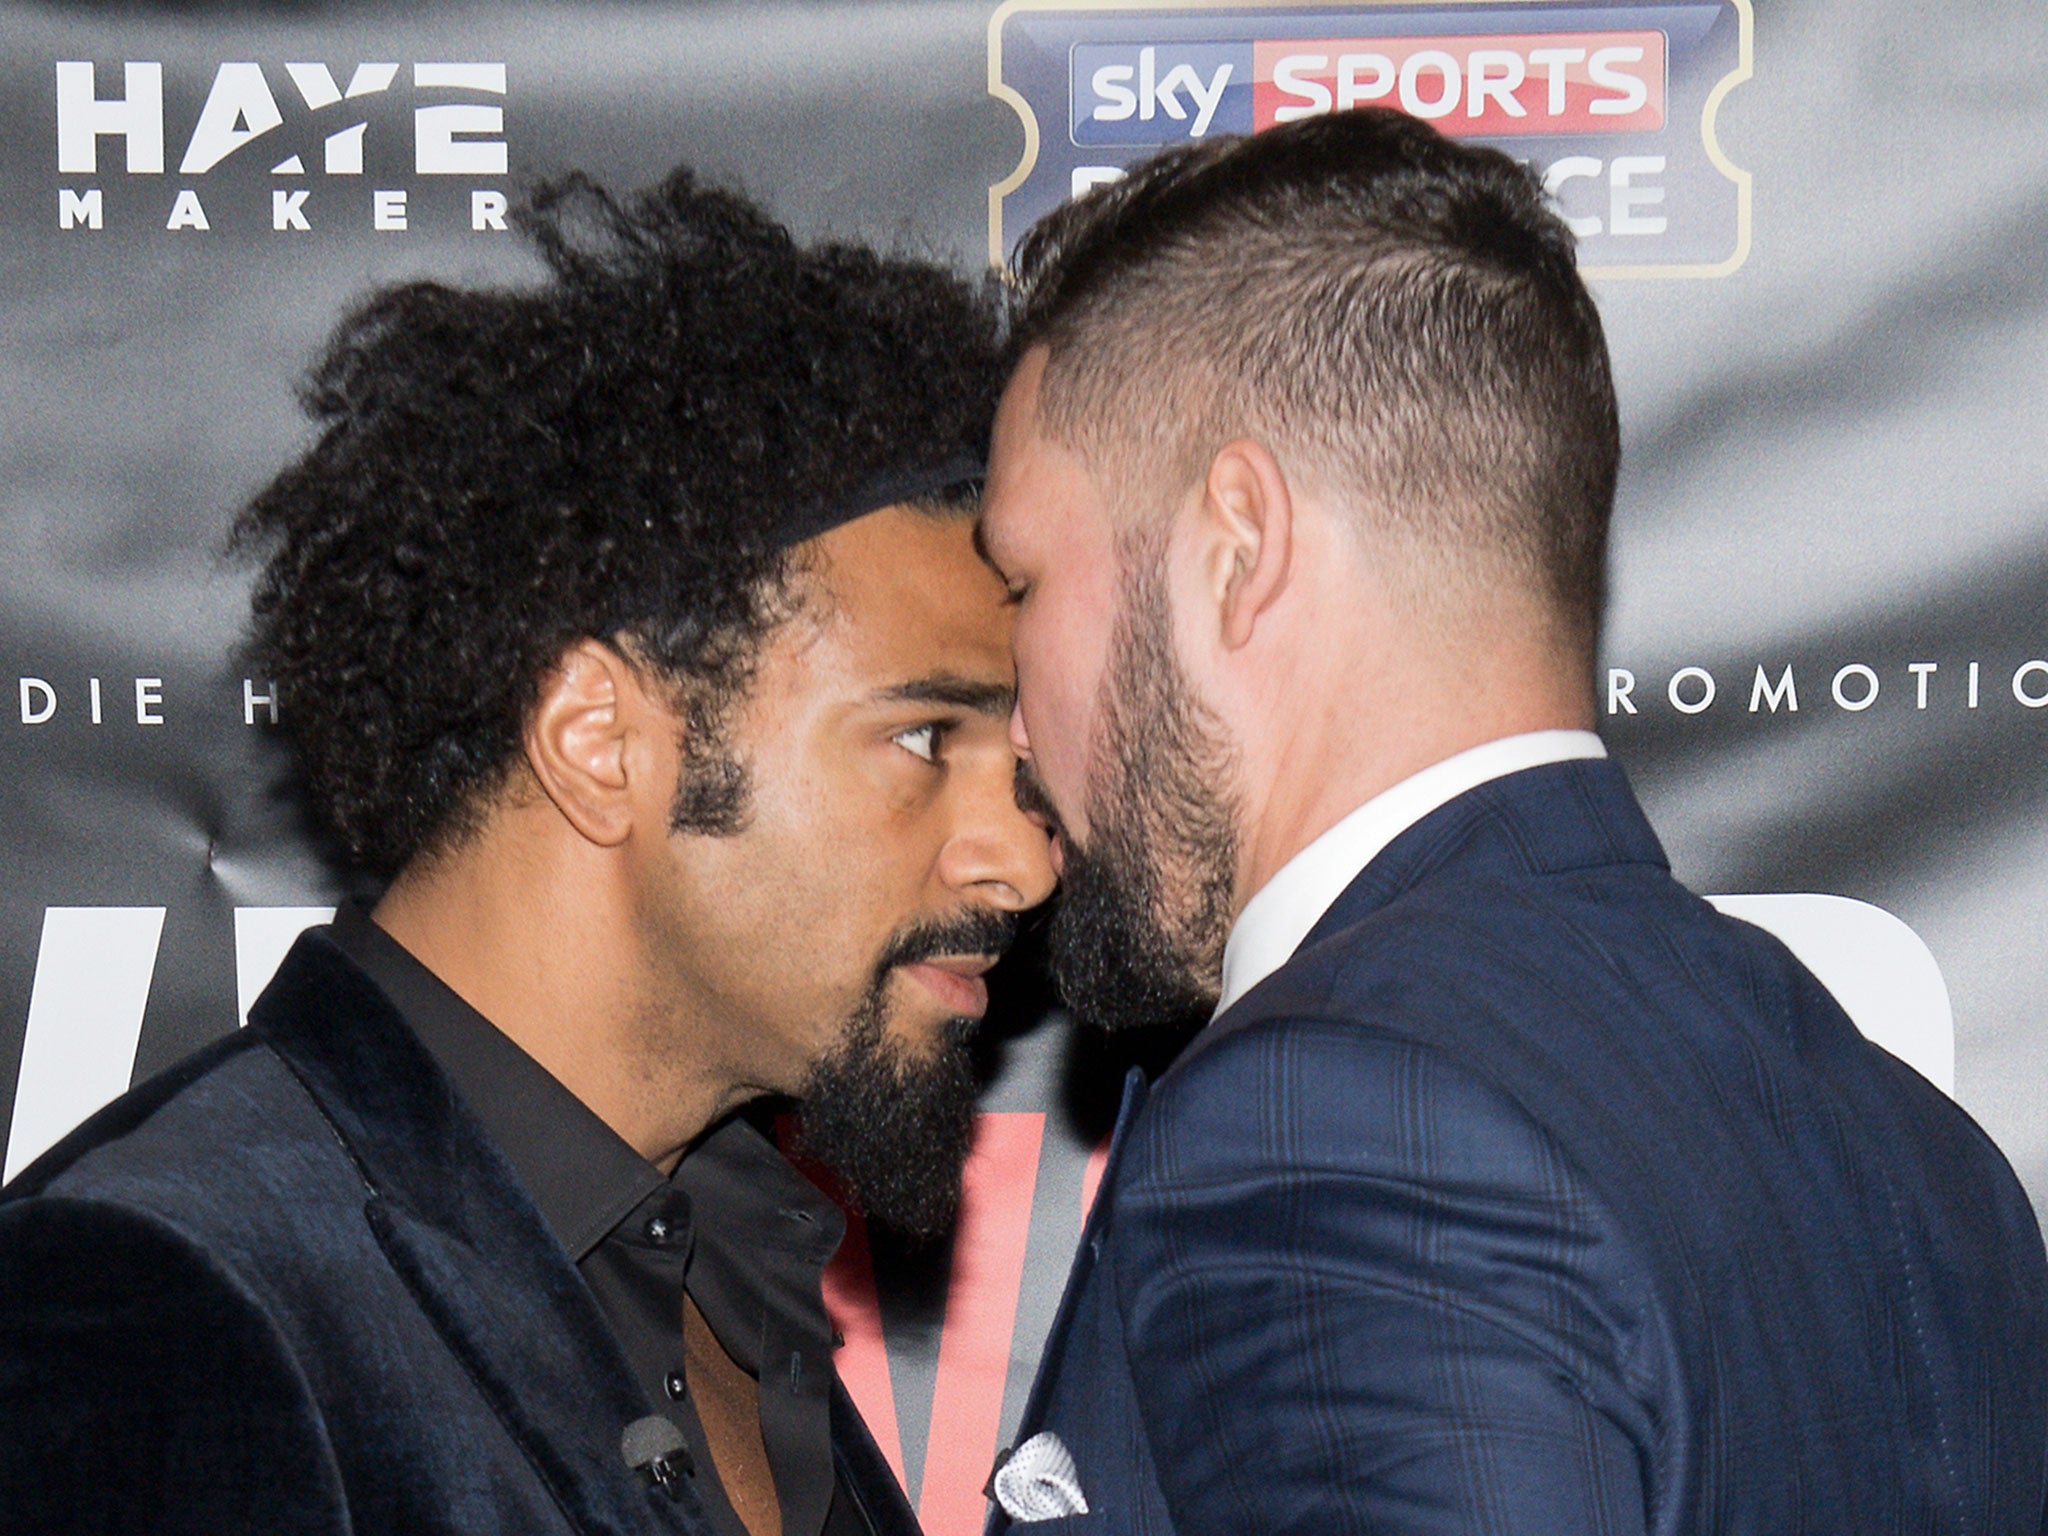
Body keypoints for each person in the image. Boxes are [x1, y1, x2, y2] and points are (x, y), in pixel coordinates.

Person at [977, 108, 2048, 1532]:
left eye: (1023, 587)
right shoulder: (1922, 1158)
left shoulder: (1335, 1127)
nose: (1011, 719)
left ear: (1237, 550)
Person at [0, 169, 1053, 1536]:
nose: (1024, 865)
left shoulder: (732, 1267)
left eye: (1023, 771)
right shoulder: (157, 1298)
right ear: (600, 740)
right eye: (926, 739)